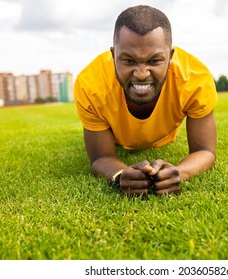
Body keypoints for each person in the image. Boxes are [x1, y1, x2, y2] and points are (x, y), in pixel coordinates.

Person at [74, 5, 217, 196]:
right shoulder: (90, 84)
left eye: (154, 61)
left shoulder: (195, 79)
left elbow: (205, 150)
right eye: (129, 61)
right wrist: (119, 174)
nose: (141, 74)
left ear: (170, 57)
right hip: (116, 137)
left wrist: (181, 173)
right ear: (113, 55)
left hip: (163, 137)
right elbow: (101, 157)